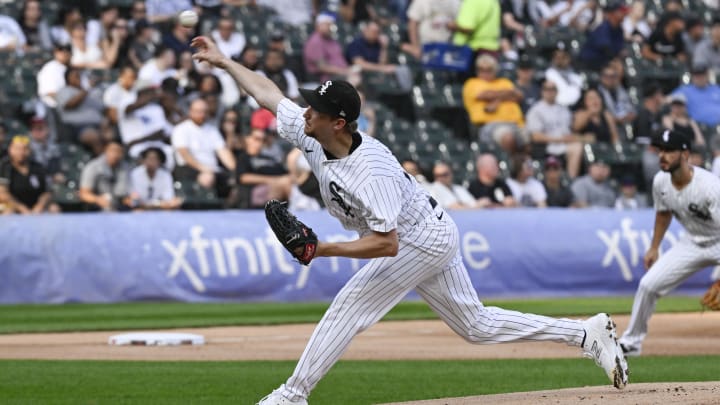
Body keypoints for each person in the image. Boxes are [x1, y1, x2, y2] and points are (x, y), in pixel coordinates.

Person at [191, 34, 629, 405]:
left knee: (350, 305)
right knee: (475, 326)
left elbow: (387, 244)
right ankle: (585, 334)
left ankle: (292, 395)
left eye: (315, 109)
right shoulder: (313, 135)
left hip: (419, 238)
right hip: (431, 228)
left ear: (338, 123)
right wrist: (226, 62)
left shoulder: (370, 172)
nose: (305, 112)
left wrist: (323, 249)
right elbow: (268, 93)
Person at [619, 129, 720, 356]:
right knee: (648, 285)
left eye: (669, 150)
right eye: (660, 150)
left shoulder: (710, 187)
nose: (662, 155)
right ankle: (631, 343)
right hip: (692, 242)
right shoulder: (660, 181)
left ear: (685, 154)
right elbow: (663, 213)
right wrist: (654, 247)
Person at [525, 79, 587, 178]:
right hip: (547, 147)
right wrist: (560, 139)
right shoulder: (536, 110)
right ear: (542, 91)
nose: (550, 92)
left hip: (565, 144)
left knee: (586, 145)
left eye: (553, 89)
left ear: (557, 91)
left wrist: (581, 137)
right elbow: (535, 137)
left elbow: (570, 130)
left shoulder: (563, 109)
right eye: (547, 89)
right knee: (576, 148)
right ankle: (571, 180)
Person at [0, 136, 55, 214]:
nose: (21, 152)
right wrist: (21, 208)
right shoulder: (4, 166)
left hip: (35, 207)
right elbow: (2, 193)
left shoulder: (37, 167)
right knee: (8, 211)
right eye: (17, 149)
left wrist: (40, 206)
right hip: (13, 205)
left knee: (54, 208)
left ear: (30, 150)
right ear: (10, 149)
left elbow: (48, 192)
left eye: (25, 148)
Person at [78, 141, 131, 211]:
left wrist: (130, 199)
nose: (115, 154)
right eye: (112, 150)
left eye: (119, 151)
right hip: (97, 208)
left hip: (119, 207)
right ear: (105, 150)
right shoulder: (93, 167)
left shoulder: (126, 167)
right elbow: (83, 194)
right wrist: (97, 199)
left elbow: (126, 195)